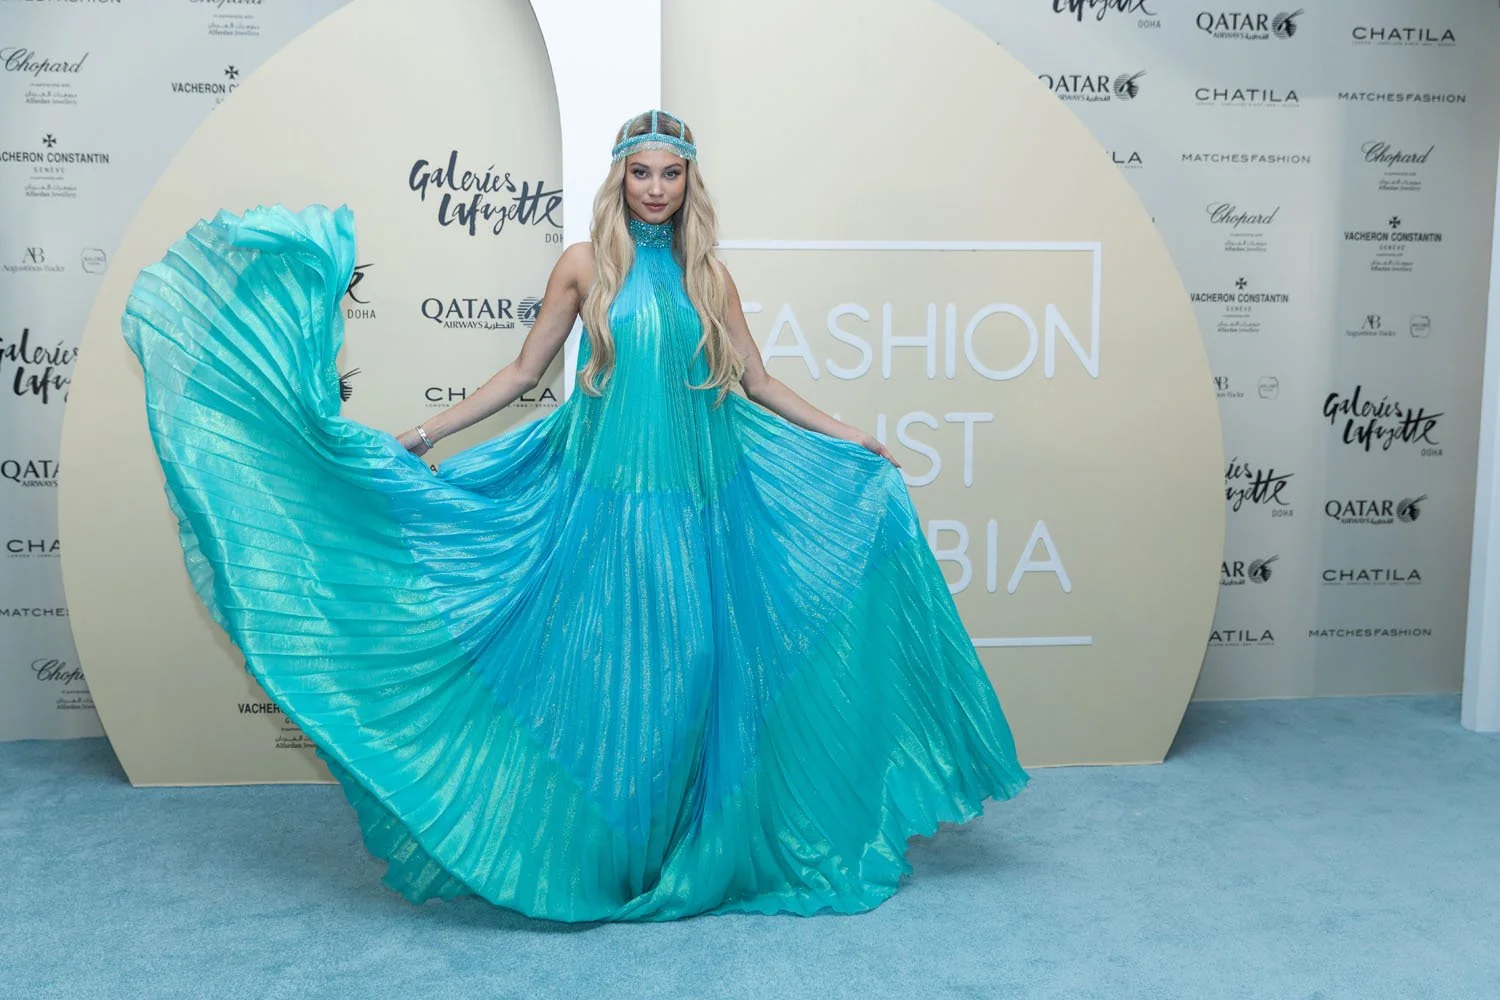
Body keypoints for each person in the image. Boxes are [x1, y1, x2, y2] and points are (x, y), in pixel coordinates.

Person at [121, 109, 1028, 923]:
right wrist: (426, 434)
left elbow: (757, 382)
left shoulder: (711, 276)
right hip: (603, 510)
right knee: (619, 682)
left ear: (690, 183)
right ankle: (602, 855)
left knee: (696, 675)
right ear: (619, 177)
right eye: (643, 173)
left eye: (673, 174)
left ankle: (677, 850)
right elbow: (523, 375)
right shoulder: (586, 266)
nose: (658, 190)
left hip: (696, 518)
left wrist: (851, 435)